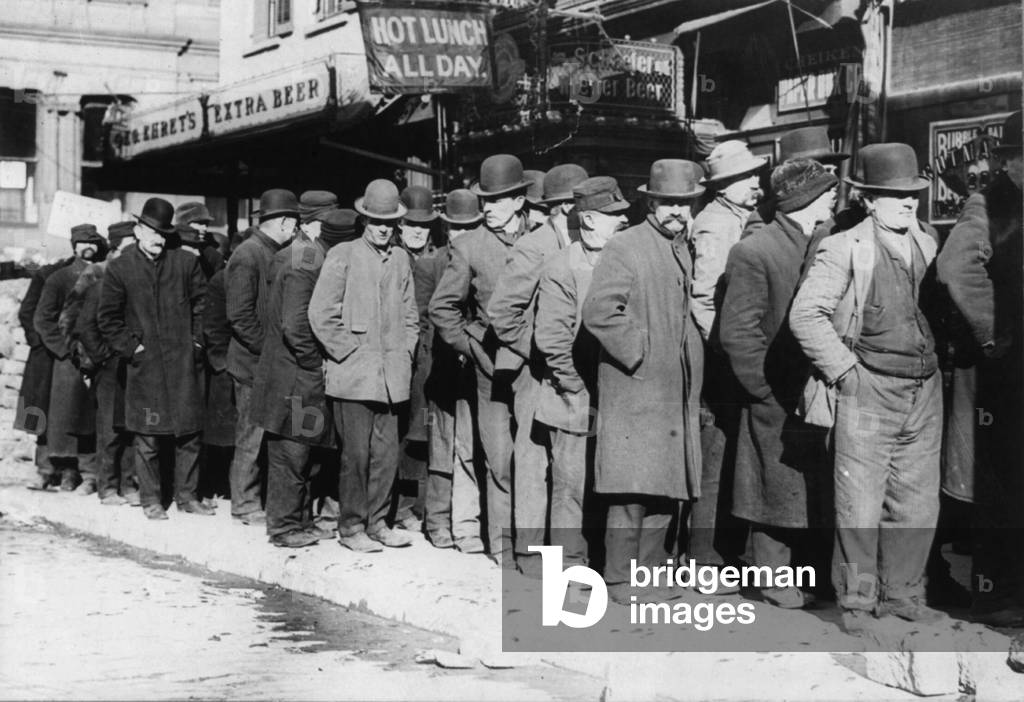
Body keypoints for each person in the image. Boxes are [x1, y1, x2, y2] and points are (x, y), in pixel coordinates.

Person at [790, 143, 945, 630]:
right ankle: (857, 603)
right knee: (858, 503)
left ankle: (901, 594)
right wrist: (845, 372)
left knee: (917, 500)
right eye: (895, 196)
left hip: (923, 388)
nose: (908, 204)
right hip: (869, 387)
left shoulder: (927, 241)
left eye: (914, 195)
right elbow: (805, 315)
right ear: (869, 200)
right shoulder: (844, 247)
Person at [581, 159, 706, 605]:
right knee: (630, 492)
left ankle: (648, 577)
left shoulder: (680, 246)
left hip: (671, 391)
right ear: (649, 201)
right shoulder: (627, 245)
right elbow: (599, 311)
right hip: (636, 388)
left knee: (663, 489)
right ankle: (618, 580)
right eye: (668, 202)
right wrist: (642, 352)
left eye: (685, 203)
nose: (677, 210)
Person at [719, 159, 838, 608]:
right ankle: (773, 577)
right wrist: (763, 389)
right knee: (772, 487)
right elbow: (737, 332)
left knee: (808, 485)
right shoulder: (755, 251)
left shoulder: (826, 241)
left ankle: (810, 576)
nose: (833, 198)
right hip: (773, 391)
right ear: (804, 201)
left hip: (813, 388)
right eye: (826, 192)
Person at [937, 111, 1024, 626]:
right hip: (1002, 375)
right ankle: (995, 595)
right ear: (1008, 161)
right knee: (1001, 484)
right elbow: (955, 268)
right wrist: (994, 331)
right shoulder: (987, 207)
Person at [487, 162, 589, 575]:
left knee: (568, 467)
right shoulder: (535, 246)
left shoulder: (582, 245)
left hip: (566, 367)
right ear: (563, 208)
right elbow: (502, 312)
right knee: (532, 462)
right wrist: (537, 351)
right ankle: (529, 553)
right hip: (532, 369)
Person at [429, 154, 531, 564]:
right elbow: (442, 309)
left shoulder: (538, 240)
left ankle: (533, 544)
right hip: (489, 371)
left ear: (519, 202)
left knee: (532, 459)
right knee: (499, 460)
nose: (488, 208)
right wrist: (471, 347)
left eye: (499, 199)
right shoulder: (470, 247)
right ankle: (502, 545)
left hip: (533, 371)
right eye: (485, 200)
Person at [309, 180, 419, 552]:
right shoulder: (342, 255)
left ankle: (378, 523)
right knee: (355, 456)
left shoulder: (402, 258)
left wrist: (406, 352)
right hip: (353, 378)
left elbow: (411, 314)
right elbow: (321, 313)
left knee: (387, 455)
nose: (383, 227)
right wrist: (349, 354)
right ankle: (352, 527)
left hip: (392, 377)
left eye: (389, 221)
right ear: (363, 219)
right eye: (375, 220)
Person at [534, 176, 629, 567]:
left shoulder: (622, 256)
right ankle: (570, 568)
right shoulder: (562, 265)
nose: (623, 221)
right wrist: (574, 388)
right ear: (588, 220)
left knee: (607, 485)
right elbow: (552, 338)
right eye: (613, 216)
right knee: (570, 488)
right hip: (572, 396)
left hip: (615, 395)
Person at [684, 140, 767, 583]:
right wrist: (729, 352)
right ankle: (704, 557)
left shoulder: (742, 217)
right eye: (745, 178)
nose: (756, 184)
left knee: (732, 454)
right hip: (720, 361)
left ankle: (725, 552)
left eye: (756, 176)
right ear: (723, 186)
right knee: (716, 457)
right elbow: (704, 299)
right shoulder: (716, 225)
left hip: (731, 353)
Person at [97, 197, 210, 520]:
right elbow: (108, 319)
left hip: (183, 364)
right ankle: (151, 500)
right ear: (138, 230)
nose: (158, 239)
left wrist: (197, 343)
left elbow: (203, 305)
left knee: (189, 434)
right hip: (145, 368)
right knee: (148, 438)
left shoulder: (184, 263)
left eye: (163, 233)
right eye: (152, 232)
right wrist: (133, 348)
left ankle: (187, 497)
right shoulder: (121, 267)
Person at [253, 210, 353, 548]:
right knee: (291, 454)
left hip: (299, 374)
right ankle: (283, 527)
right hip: (296, 375)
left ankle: (301, 521)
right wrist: (315, 363)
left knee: (305, 451)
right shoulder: (307, 259)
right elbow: (294, 324)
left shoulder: (307, 253)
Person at [225, 189, 298, 525]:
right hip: (252, 365)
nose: (297, 227)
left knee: (269, 434)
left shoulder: (274, 252)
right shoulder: (248, 255)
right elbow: (239, 317)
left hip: (269, 364)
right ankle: (244, 503)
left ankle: (260, 499)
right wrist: (270, 352)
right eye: (294, 221)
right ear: (284, 221)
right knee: (251, 436)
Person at [420, 189, 485, 552]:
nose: (463, 234)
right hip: (442, 365)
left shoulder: (482, 255)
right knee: (442, 447)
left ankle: (467, 522)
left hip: (474, 364)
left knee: (470, 445)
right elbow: (427, 318)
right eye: (456, 228)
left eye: (470, 226)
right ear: (446, 229)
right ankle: (438, 521)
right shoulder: (431, 264)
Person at [33, 223, 105, 494]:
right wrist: (64, 350)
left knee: (88, 416)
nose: (89, 247)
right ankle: (58, 469)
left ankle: (86, 472)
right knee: (61, 416)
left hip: (95, 354)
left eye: (94, 242)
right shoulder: (58, 278)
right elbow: (43, 318)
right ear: (73, 245)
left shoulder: (102, 274)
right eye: (83, 242)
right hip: (66, 359)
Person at [70, 221, 138, 506]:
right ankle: (107, 488)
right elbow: (85, 327)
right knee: (110, 429)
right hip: (110, 368)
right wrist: (103, 358)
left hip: (132, 366)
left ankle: (129, 485)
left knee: (131, 428)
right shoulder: (101, 287)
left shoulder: (136, 286)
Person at [392, 185, 439, 532]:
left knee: (423, 432)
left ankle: (420, 504)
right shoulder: (393, 258)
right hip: (400, 359)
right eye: (411, 225)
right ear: (399, 226)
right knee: (399, 433)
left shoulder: (437, 258)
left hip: (430, 359)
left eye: (423, 226)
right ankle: (400, 506)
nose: (418, 231)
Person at [20, 254, 73, 491]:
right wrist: (39, 343)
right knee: (39, 411)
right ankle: (44, 468)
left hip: (70, 355)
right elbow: (27, 312)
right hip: (44, 355)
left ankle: (70, 469)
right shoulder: (46, 274)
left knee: (71, 411)